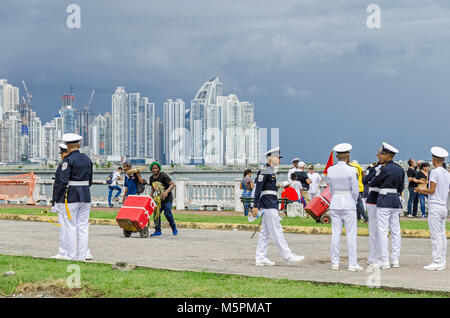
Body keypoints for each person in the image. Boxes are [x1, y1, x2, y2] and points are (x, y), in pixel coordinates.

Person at [253, 147, 304, 266]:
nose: (280, 160)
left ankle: (260, 257)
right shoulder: (265, 170)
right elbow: (258, 189)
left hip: (270, 202)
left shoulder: (270, 170)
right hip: (268, 203)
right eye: (278, 157)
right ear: (271, 158)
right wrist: (255, 205)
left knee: (265, 232)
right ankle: (287, 255)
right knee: (277, 229)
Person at [53, 133, 93, 261]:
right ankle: (81, 256)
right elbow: (90, 181)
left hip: (71, 196)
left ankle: (71, 256)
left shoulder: (68, 160)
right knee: (83, 227)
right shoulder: (87, 159)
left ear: (68, 147)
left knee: (70, 226)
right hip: (86, 196)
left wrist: (56, 200)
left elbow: (62, 181)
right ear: (79, 145)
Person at [326, 143, 362, 272]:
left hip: (335, 201)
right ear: (348, 156)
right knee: (351, 234)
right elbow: (355, 190)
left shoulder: (330, 170)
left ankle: (335, 263)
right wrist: (353, 201)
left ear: (337, 156)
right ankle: (352, 264)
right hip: (348, 202)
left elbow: (330, 189)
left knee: (335, 234)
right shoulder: (351, 170)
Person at [369, 142, 404, 269]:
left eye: (383, 154)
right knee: (395, 231)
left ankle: (384, 260)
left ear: (388, 155)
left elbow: (373, 183)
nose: (381, 156)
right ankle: (395, 260)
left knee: (383, 231)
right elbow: (401, 187)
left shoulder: (383, 169)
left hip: (383, 200)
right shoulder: (400, 169)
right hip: (395, 200)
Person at [415, 147, 449, 271]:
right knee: (442, 234)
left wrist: (421, 189)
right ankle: (442, 260)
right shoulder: (446, 173)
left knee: (435, 235)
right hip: (443, 206)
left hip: (435, 205)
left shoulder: (434, 172)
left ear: (434, 160)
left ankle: (436, 261)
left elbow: (432, 190)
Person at [362, 148, 383, 267]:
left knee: (383, 231)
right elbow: (365, 180)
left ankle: (381, 255)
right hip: (373, 199)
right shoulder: (373, 167)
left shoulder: (390, 167)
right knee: (373, 230)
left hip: (385, 200)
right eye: (381, 154)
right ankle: (373, 256)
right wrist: (376, 172)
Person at [50, 143, 70, 260]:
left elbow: (59, 184)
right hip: (75, 198)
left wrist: (55, 201)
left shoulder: (64, 165)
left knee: (64, 227)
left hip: (64, 199)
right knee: (76, 227)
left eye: (62, 153)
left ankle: (63, 251)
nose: (61, 156)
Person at [149, 161, 178, 236]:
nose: (155, 169)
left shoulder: (163, 175)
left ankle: (174, 227)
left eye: (156, 168)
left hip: (167, 199)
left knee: (167, 214)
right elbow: (153, 187)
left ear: (159, 169)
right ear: (151, 169)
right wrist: (151, 195)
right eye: (153, 168)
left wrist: (166, 192)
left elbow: (172, 184)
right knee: (156, 214)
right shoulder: (151, 178)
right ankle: (158, 231)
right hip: (158, 199)